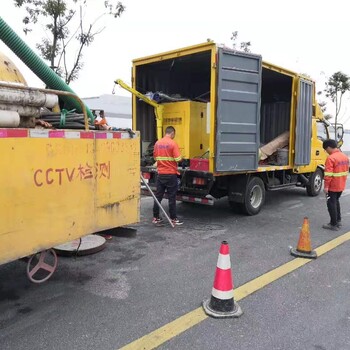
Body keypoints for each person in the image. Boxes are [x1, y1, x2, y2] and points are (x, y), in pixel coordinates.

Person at [152, 126, 183, 226]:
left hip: (160, 174)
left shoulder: (157, 143)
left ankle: (156, 217)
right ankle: (173, 218)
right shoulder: (173, 143)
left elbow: (155, 157)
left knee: (158, 197)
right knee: (171, 197)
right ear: (172, 133)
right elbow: (178, 159)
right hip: (171, 174)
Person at [322, 139, 349, 231]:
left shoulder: (331, 158)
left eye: (326, 149)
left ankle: (333, 224)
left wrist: (326, 187)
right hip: (341, 185)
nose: (326, 152)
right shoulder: (344, 156)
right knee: (336, 201)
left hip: (333, 185)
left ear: (329, 147)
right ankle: (338, 220)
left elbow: (328, 175)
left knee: (331, 203)